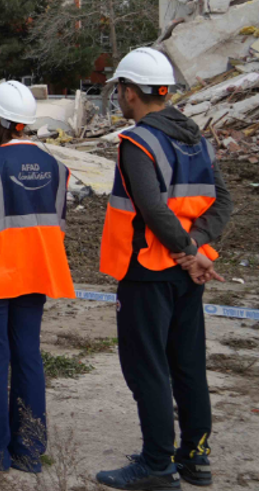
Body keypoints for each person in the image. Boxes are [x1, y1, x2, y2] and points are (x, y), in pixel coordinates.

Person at [95, 48, 232, 491]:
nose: (119, 97)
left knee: (147, 367)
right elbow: (223, 201)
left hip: (148, 272)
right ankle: (195, 458)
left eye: (120, 90)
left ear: (131, 92)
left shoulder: (139, 142)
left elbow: (152, 209)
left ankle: (157, 464)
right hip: (186, 274)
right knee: (188, 364)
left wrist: (186, 249)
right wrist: (199, 250)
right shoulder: (197, 139)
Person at [0, 81, 75, 473]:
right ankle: (30, 449)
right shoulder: (58, 167)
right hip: (37, 272)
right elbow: (57, 221)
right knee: (27, 356)